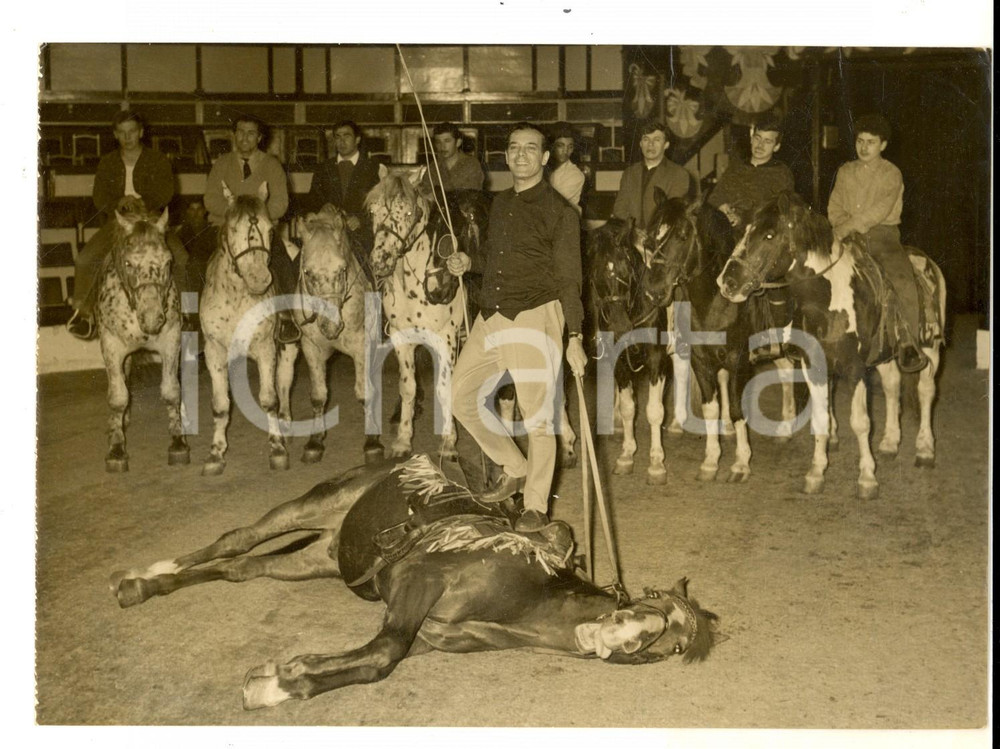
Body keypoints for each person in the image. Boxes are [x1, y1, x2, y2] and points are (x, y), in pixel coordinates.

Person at [447, 122, 587, 533]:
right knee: (460, 398)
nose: (521, 155)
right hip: (491, 316)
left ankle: (535, 506)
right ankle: (514, 464)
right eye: (514, 148)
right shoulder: (500, 204)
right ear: (506, 157)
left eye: (531, 148)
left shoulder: (561, 212)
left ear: (546, 158)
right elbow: (498, 260)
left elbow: (569, 279)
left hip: (534, 316)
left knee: (538, 418)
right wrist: (470, 265)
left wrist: (575, 336)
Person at [67, 111, 191, 339]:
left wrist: (143, 202)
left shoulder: (157, 159)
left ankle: (188, 312)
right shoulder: (108, 162)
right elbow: (99, 196)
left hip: (152, 221)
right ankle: (83, 313)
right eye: (122, 133)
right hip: (120, 222)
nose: (128, 137)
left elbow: (166, 190)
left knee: (181, 257)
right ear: (116, 135)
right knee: (85, 259)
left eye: (132, 131)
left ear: (141, 132)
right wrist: (119, 202)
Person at [827, 114, 927, 373]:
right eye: (860, 141)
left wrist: (847, 226)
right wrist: (839, 228)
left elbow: (879, 211)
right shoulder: (845, 171)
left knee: (902, 279)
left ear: (883, 145)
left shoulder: (891, 173)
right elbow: (834, 205)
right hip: (845, 235)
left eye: (871, 142)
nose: (864, 147)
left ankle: (908, 342)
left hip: (882, 236)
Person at [203, 114, 292, 339]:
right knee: (194, 262)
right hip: (225, 231)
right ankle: (193, 323)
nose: (245, 138)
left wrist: (255, 220)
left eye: (251, 133)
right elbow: (210, 199)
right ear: (234, 135)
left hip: (261, 234)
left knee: (283, 264)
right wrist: (236, 218)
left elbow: (280, 203)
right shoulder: (222, 164)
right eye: (240, 132)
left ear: (259, 138)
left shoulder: (271, 165)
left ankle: (287, 318)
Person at [707, 116, 795, 232]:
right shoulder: (735, 168)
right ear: (751, 139)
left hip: (761, 236)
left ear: (776, 147)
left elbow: (782, 212)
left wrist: (742, 220)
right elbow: (715, 197)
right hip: (728, 233)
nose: (760, 145)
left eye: (767, 141)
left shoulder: (782, 173)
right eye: (757, 138)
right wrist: (723, 208)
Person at [612, 120, 694, 229]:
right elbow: (619, 208)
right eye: (646, 139)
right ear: (641, 144)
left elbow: (672, 212)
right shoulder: (629, 173)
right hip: (631, 236)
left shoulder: (679, 174)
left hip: (660, 237)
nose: (650, 144)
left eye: (657, 140)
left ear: (666, 145)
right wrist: (635, 230)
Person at [422, 122, 485, 194]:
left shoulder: (471, 164)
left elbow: (470, 196)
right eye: (438, 142)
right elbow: (425, 193)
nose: (442, 146)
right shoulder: (433, 167)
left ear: (458, 142)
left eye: (447, 141)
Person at [547, 121, 586, 213]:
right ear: (551, 146)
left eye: (570, 147)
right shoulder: (544, 168)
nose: (566, 151)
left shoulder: (575, 174)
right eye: (560, 146)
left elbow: (551, 205)